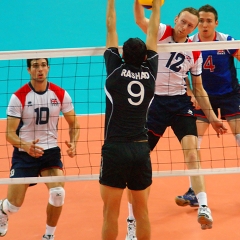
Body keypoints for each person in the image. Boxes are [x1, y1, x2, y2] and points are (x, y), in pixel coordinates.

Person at [129, 1, 228, 231]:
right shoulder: (162, 32)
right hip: (154, 105)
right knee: (139, 161)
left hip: (180, 104)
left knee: (192, 152)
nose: (185, 27)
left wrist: (212, 117)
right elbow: (140, 21)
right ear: (176, 19)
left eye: (190, 25)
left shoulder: (194, 50)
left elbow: (199, 88)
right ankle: (132, 221)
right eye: (183, 22)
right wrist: (137, 2)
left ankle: (204, 207)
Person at [99, 0, 162, 239]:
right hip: (140, 149)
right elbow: (153, 30)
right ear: (146, 56)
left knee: (110, 212)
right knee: (142, 212)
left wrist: (111, 1)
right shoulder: (150, 74)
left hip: (115, 149)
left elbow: (110, 27)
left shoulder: (115, 70)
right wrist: (156, 6)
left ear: (122, 54)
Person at [0, 58, 80, 240]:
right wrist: (25, 145)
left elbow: (74, 124)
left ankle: (49, 236)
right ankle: (2, 209)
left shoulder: (60, 94)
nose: (40, 69)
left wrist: (73, 142)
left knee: (58, 193)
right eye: (35, 66)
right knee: (14, 206)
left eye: (43, 65)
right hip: (24, 154)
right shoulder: (18, 97)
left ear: (48, 68)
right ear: (29, 70)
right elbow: (9, 134)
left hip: (50, 152)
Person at [175, 4, 240, 208]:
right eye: (201, 21)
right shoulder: (189, 43)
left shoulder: (226, 41)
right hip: (203, 98)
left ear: (216, 23)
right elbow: (181, 72)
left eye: (208, 21)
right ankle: (194, 191)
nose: (204, 24)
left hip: (230, 95)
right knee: (193, 146)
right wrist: (190, 92)